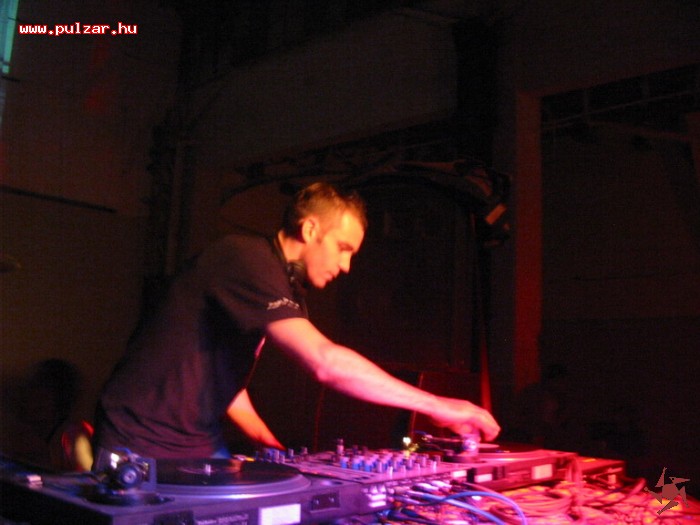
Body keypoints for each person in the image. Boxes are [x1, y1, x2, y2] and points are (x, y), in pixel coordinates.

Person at [92, 182, 499, 464]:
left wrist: (268, 444)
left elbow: (226, 380)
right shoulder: (244, 258)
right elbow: (325, 362)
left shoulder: (280, 283)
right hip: (139, 442)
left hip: (197, 443)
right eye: (342, 248)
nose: (346, 265)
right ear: (310, 229)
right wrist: (438, 405)